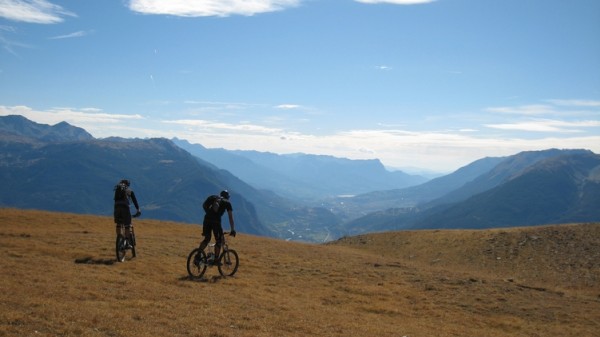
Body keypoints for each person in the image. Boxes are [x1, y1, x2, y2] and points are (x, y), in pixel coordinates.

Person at [198, 190, 236, 265]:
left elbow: (204, 205)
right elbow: (230, 217)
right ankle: (216, 260)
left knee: (207, 239)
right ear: (227, 197)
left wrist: (209, 213)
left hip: (206, 219)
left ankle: (197, 255)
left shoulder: (214, 197)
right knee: (219, 241)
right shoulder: (227, 202)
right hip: (216, 222)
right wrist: (232, 229)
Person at [113, 179, 141, 247]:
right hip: (125, 208)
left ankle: (119, 239)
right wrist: (138, 210)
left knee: (118, 224)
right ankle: (127, 242)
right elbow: (134, 201)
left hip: (116, 207)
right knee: (127, 225)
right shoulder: (129, 190)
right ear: (127, 185)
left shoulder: (117, 189)